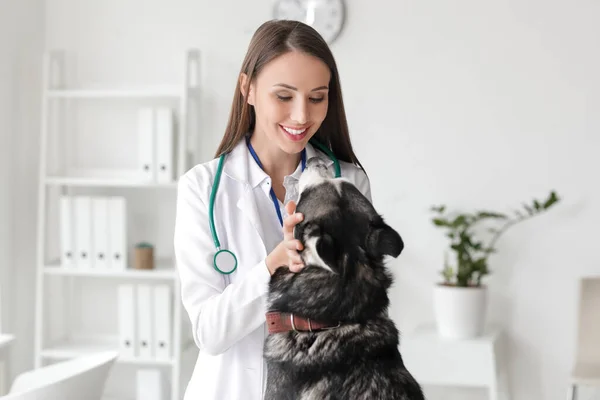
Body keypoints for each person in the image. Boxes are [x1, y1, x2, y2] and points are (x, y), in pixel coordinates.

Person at [174, 19, 372, 400]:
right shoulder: (201, 189)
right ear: (247, 89)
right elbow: (210, 333)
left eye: (317, 98)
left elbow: (359, 310)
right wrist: (273, 266)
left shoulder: (348, 184)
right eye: (284, 96)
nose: (301, 116)